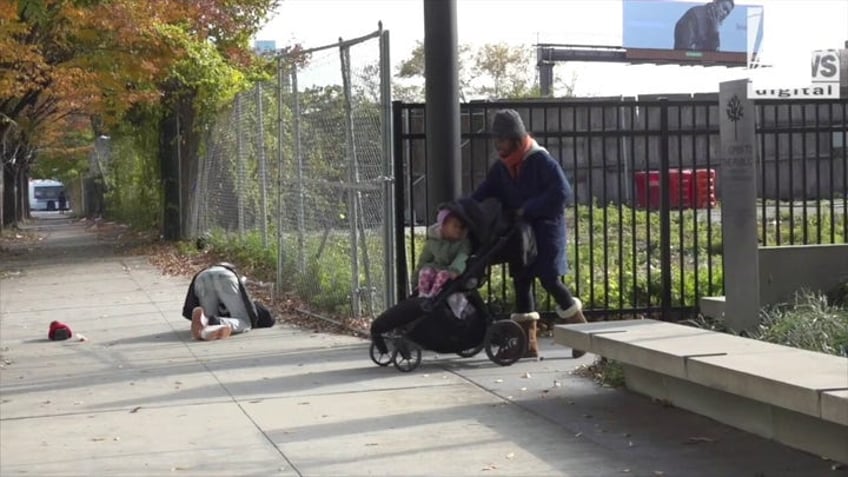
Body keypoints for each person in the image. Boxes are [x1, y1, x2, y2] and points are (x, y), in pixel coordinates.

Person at [471, 109, 588, 359]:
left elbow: (562, 192)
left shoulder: (540, 160)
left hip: (545, 232)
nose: (498, 145)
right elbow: (483, 193)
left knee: (550, 281)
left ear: (515, 138)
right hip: (520, 235)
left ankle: (582, 333)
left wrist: (529, 208)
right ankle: (526, 344)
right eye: (496, 140)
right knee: (522, 281)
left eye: (502, 140)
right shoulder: (501, 168)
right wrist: (461, 210)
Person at [181, 263, 275, 341]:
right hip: (225, 275)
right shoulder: (233, 272)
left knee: (206, 322)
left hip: (203, 276)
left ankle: (206, 323)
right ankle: (213, 321)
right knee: (245, 322)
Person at [412, 208, 472, 318]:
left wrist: (455, 270)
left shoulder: (463, 244)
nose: (458, 230)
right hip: (434, 269)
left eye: (460, 227)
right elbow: (423, 260)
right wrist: (415, 278)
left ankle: (433, 298)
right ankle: (422, 296)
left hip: (448, 271)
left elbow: (462, 258)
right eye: (455, 226)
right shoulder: (433, 242)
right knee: (425, 271)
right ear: (443, 226)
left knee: (443, 275)